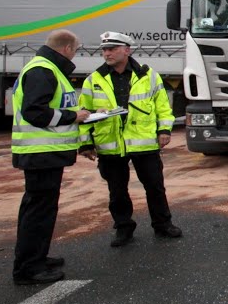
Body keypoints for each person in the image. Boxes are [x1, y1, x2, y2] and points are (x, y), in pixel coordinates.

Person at [78, 31, 183, 247]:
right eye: (104, 49)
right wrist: (85, 143)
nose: (107, 53)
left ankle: (163, 224)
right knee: (117, 191)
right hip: (111, 145)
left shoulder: (148, 75)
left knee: (155, 186)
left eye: (112, 49)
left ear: (127, 50)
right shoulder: (94, 79)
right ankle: (123, 228)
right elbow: (83, 113)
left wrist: (164, 131)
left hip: (143, 142)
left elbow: (163, 106)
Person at [10, 29, 85, 285]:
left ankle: (36, 258)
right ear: (66, 49)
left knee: (40, 209)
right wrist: (72, 116)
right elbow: (35, 112)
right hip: (40, 152)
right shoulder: (44, 71)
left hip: (44, 153)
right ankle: (29, 269)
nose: (74, 55)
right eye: (74, 51)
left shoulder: (45, 68)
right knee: (38, 212)